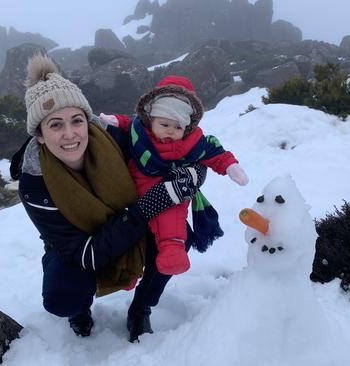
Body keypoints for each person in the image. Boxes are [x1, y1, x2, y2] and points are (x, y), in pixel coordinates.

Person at [12, 54, 207, 342]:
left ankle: (141, 308)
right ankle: (79, 310)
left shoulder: (115, 138)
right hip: (77, 246)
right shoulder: (34, 183)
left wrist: (195, 174)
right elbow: (84, 253)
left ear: (88, 120)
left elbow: (176, 151)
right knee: (62, 296)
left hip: (125, 222)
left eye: (77, 120)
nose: (70, 134)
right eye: (55, 125)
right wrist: (147, 208)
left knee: (179, 238)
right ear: (39, 135)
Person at [100, 76, 248, 276]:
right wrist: (115, 121)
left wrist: (230, 165)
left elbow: (214, 152)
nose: (170, 131)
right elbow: (128, 123)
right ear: (150, 119)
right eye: (164, 124)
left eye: (178, 127)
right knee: (127, 230)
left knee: (173, 211)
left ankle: (173, 249)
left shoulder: (193, 141)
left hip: (169, 183)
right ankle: (126, 274)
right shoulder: (139, 130)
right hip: (135, 182)